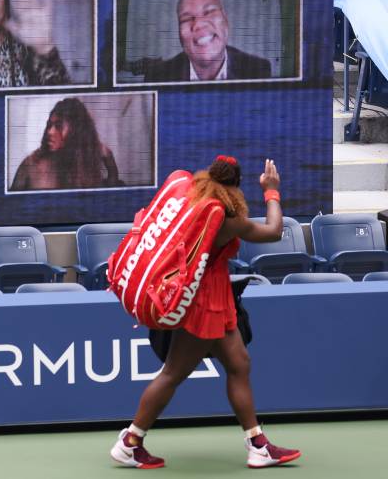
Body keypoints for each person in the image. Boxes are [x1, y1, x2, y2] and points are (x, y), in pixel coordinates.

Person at [110, 157, 302, 469]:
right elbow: (273, 231)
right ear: (235, 187)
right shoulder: (227, 219)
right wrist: (271, 192)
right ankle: (131, 442)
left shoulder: (192, 200)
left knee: (239, 364)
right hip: (203, 304)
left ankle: (257, 445)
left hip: (217, 298)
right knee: (173, 373)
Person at [145, 0, 272, 82]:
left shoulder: (258, 70)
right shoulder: (156, 77)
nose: (198, 24)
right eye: (186, 19)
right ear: (179, 35)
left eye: (209, 12)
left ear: (225, 20)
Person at [10, 98, 119, 191]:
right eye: (49, 125)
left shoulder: (86, 167)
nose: (50, 132)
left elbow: (108, 201)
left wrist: (109, 159)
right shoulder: (31, 164)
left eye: (58, 126)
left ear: (76, 131)